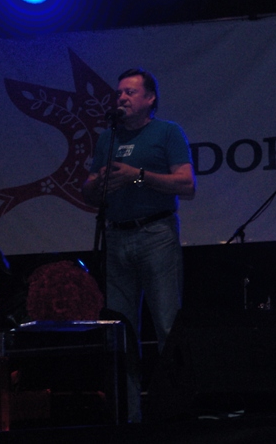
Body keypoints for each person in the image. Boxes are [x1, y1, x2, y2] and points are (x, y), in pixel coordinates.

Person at [82, 68, 196, 422]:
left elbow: (187, 185)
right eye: (119, 93)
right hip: (116, 237)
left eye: (130, 92)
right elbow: (87, 192)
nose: (122, 98)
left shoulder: (167, 132)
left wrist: (138, 176)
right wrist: (99, 182)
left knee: (167, 326)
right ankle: (129, 418)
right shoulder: (108, 138)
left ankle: (175, 413)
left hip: (155, 235)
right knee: (121, 331)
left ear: (150, 98)